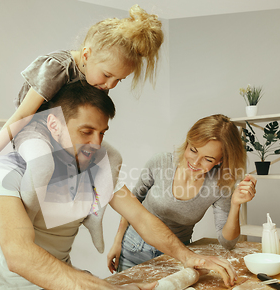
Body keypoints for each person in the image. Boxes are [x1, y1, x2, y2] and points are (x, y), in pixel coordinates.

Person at [0, 83, 237, 290]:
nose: (96, 143)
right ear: (54, 125)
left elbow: (140, 217)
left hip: (65, 287)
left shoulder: (95, 169)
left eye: (102, 133)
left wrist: (188, 256)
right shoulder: (9, 167)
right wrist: (103, 289)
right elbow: (18, 254)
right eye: (86, 131)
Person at [0, 4, 164, 184]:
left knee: (113, 158)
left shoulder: (99, 82)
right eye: (107, 75)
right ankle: (30, 211)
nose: (111, 85)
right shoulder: (56, 69)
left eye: (119, 80)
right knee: (42, 163)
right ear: (86, 55)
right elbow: (23, 114)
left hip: (69, 133)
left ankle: (91, 216)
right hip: (37, 127)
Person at [107, 114, 258, 273]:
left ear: (220, 160)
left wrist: (235, 204)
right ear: (188, 143)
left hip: (177, 257)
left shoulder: (220, 185)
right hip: (133, 249)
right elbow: (132, 203)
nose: (195, 162)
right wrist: (117, 242)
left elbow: (228, 242)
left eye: (207, 159)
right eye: (193, 150)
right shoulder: (161, 163)